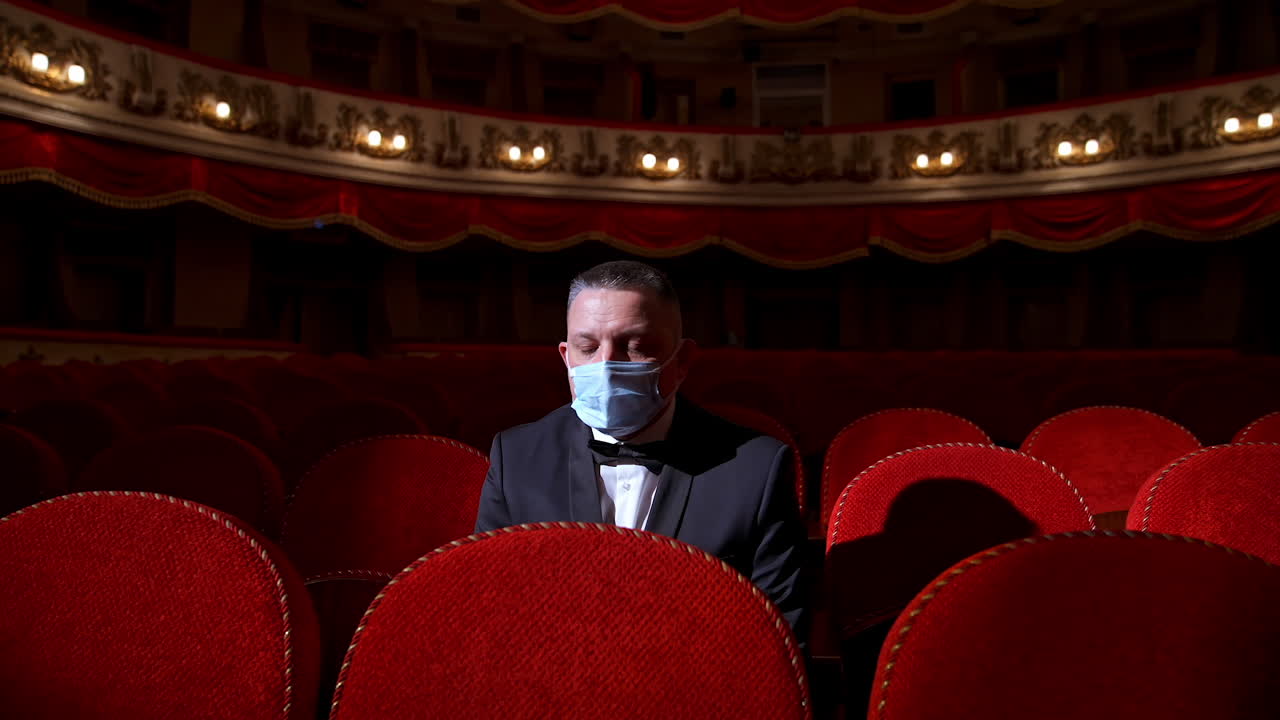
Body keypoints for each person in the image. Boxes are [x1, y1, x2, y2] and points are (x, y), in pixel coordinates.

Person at [475, 260, 807, 633]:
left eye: (634, 347)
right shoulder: (516, 457)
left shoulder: (756, 469)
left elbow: (779, 636)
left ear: (681, 361)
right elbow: (490, 609)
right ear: (566, 357)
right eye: (588, 347)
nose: (606, 366)